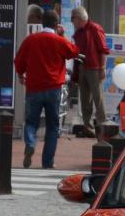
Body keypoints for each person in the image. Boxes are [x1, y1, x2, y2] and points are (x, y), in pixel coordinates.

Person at [14, 9, 79, 169]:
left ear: (41, 22)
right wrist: (62, 35)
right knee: (52, 126)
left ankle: (30, 142)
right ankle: (47, 162)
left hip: (34, 87)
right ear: (57, 25)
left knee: (31, 122)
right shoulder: (59, 41)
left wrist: (21, 74)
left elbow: (19, 61)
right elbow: (74, 52)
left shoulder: (31, 40)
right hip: (54, 88)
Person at [71, 6, 110, 137]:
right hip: (83, 67)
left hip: (94, 68)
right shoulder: (79, 31)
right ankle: (88, 126)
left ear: (80, 18)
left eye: (73, 18)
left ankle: (102, 126)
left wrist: (103, 68)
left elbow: (103, 49)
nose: (72, 22)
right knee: (85, 99)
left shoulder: (94, 28)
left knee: (97, 97)